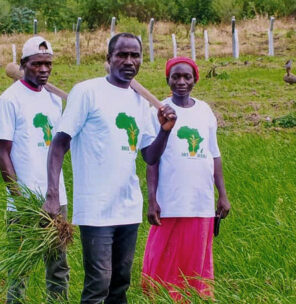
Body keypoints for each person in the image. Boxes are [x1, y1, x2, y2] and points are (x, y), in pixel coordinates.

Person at [43, 33, 177, 303]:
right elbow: (59, 144)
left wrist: (165, 131)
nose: (129, 61)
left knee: (120, 284)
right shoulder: (87, 92)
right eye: (122, 55)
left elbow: (150, 156)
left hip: (127, 207)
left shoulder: (141, 102)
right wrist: (53, 193)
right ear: (109, 59)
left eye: (134, 55)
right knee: (98, 284)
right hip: (96, 209)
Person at [141, 57, 231, 300]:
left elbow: (214, 154)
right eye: (176, 77)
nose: (181, 82)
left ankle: (194, 294)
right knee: (163, 251)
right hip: (170, 198)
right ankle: (161, 295)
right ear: (167, 80)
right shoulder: (157, 111)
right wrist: (152, 200)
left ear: (195, 80)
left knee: (196, 252)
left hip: (200, 199)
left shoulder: (205, 111)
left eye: (187, 77)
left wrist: (222, 195)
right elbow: (152, 160)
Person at [0, 36, 69, 303]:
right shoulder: (9, 99)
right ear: (24, 64)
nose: (44, 69)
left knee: (58, 265)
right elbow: (2, 152)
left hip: (56, 196)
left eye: (48, 64)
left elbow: (60, 147)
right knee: (20, 266)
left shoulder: (54, 100)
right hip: (24, 201)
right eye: (37, 64)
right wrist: (20, 197)